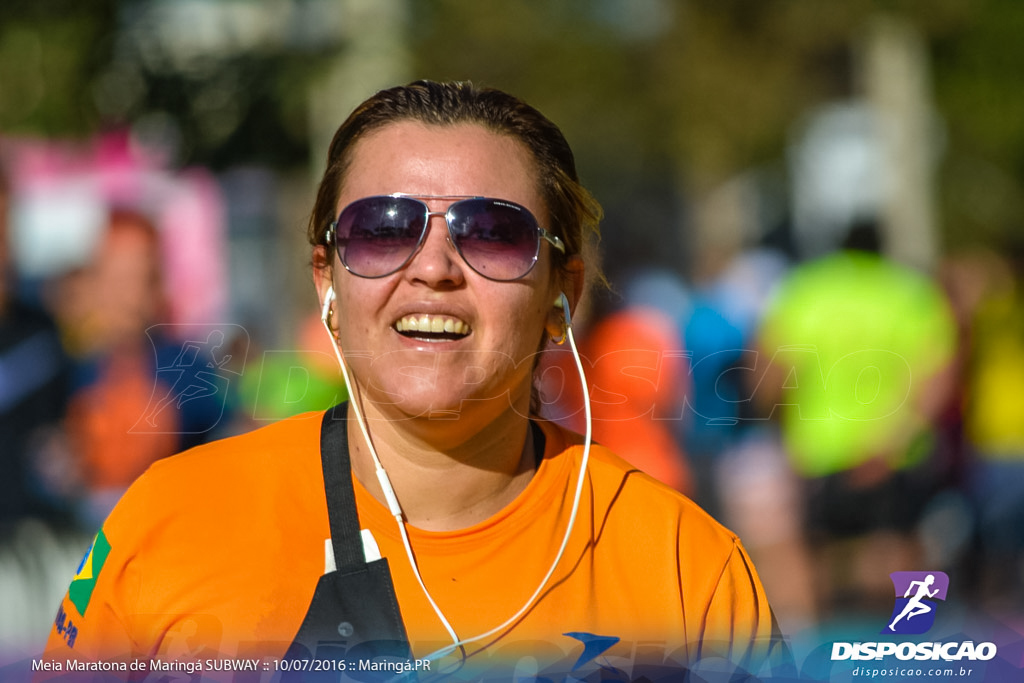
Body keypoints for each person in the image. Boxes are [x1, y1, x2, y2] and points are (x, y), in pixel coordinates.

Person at [41, 81, 785, 681]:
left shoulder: (687, 564)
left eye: (493, 232)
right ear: (326, 281)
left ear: (563, 294)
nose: (432, 269)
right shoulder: (172, 518)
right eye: (382, 228)